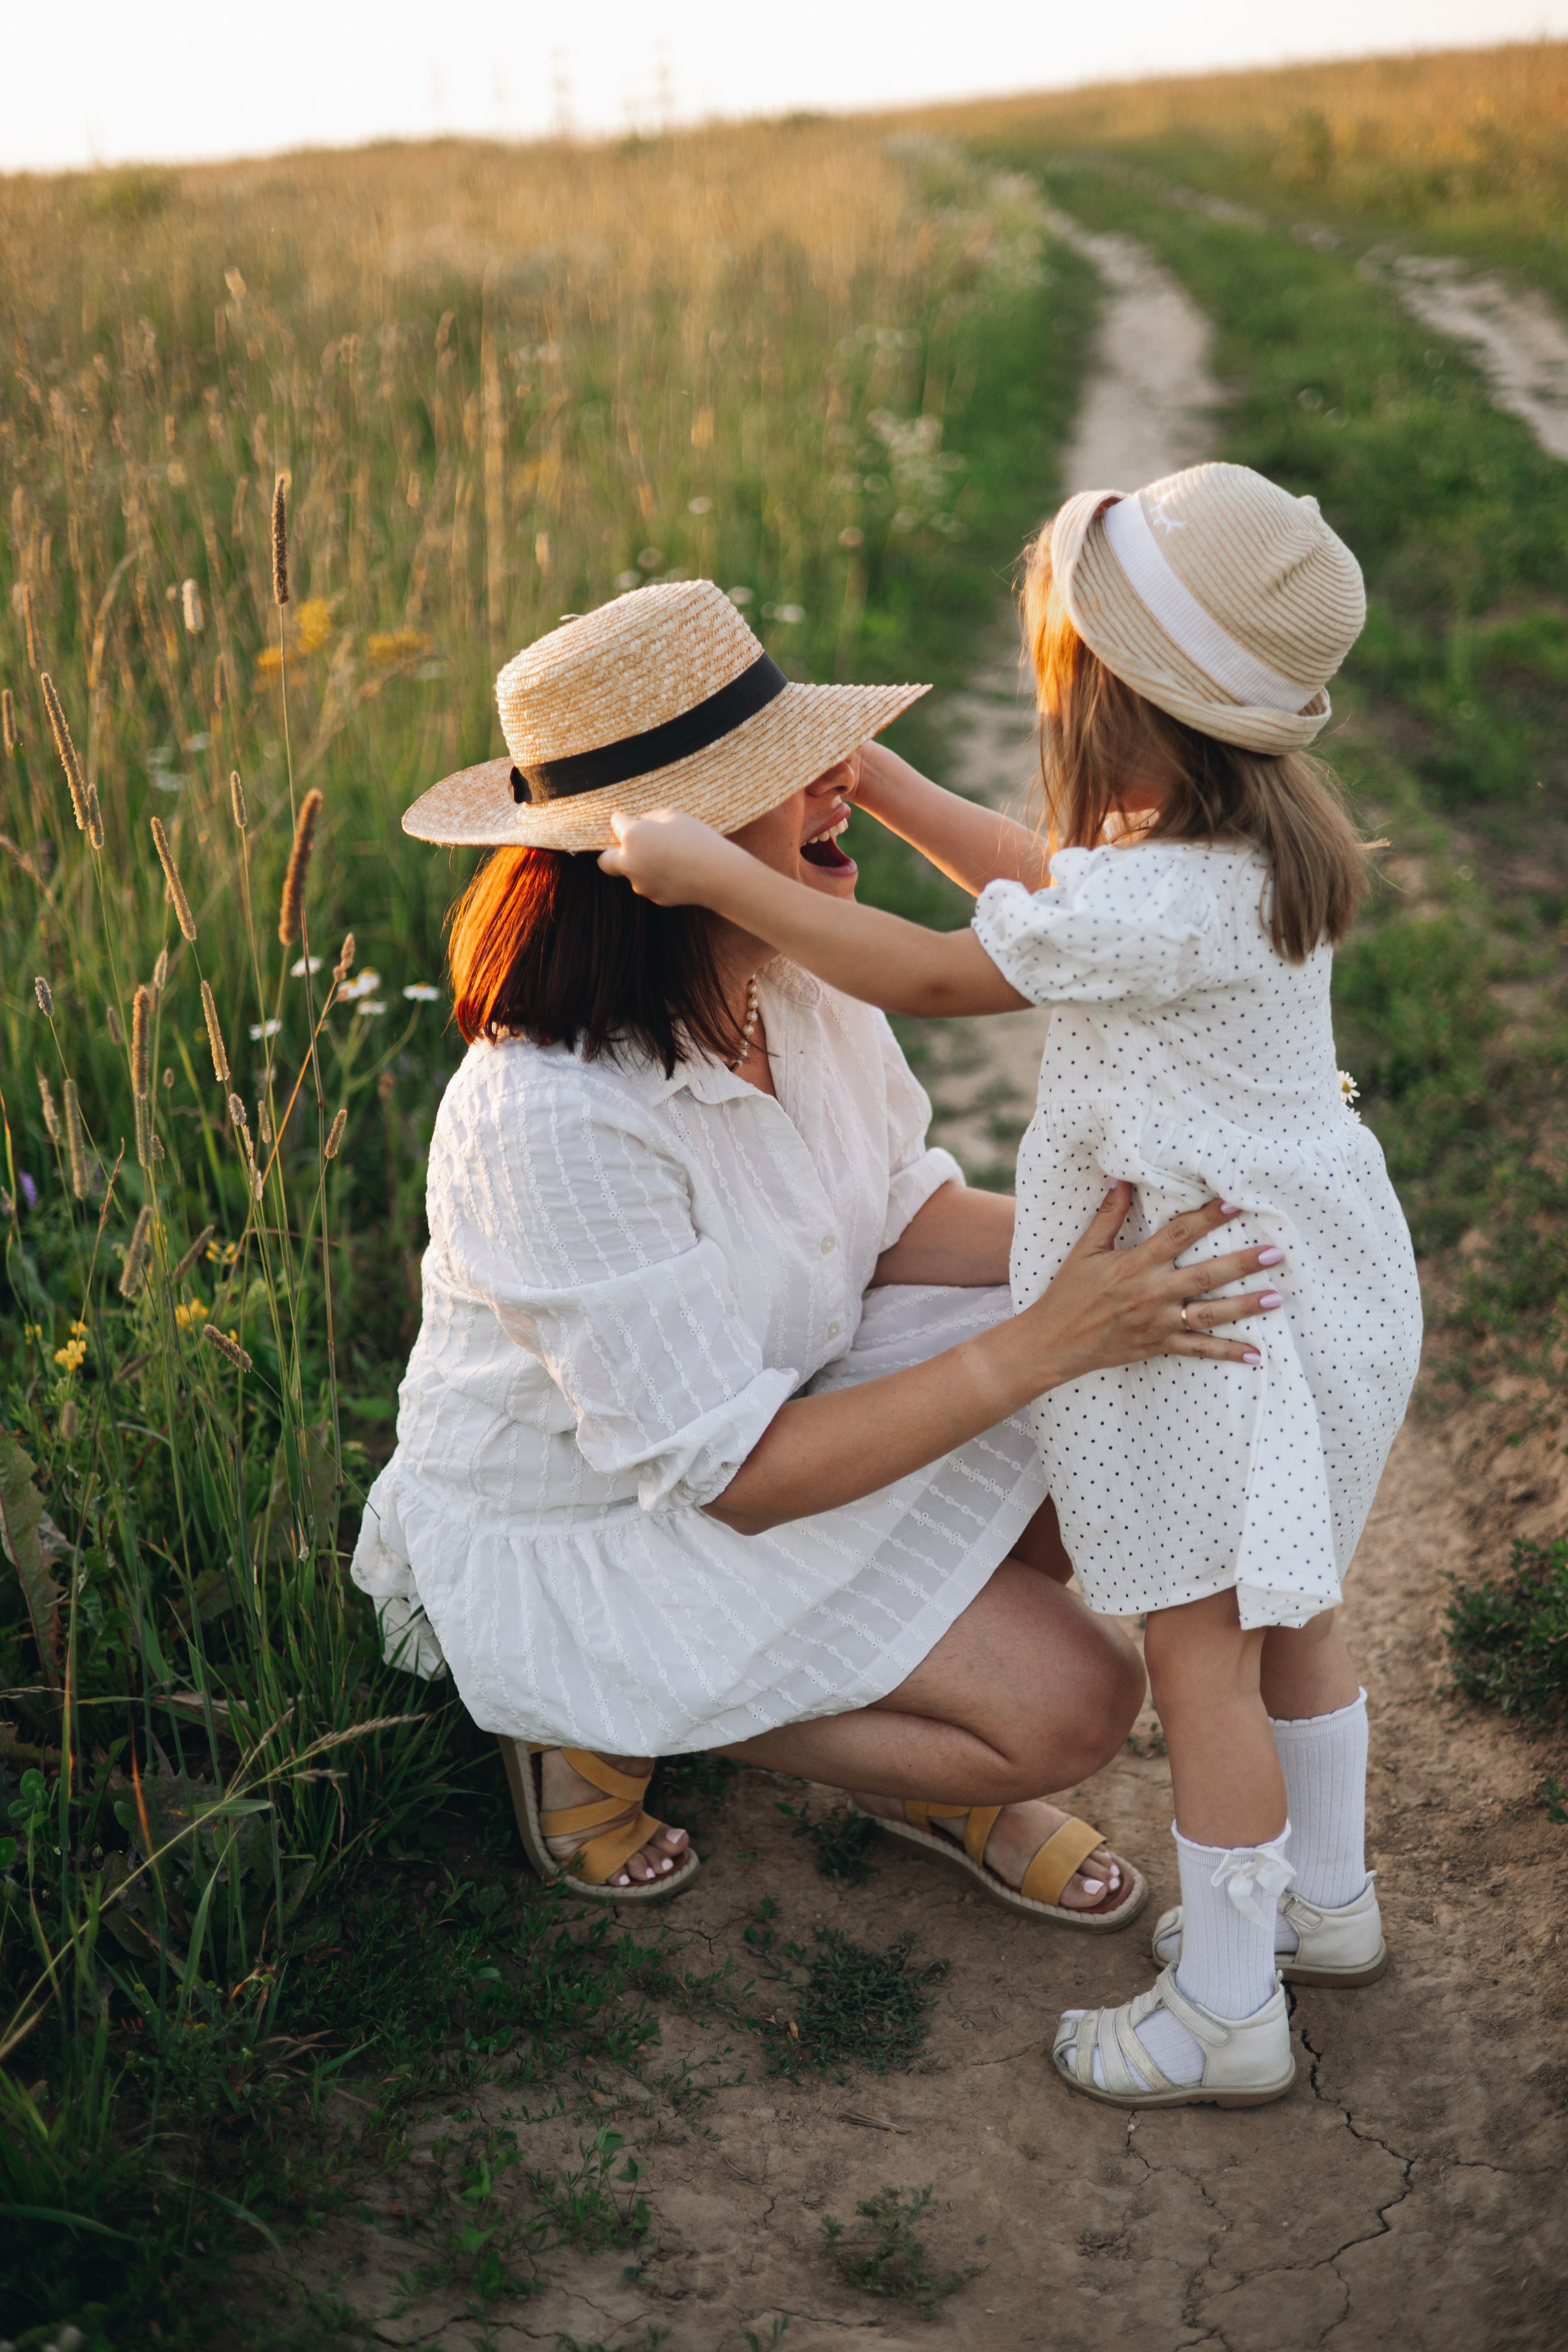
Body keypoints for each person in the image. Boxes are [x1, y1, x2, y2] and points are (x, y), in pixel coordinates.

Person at [602, 464, 1422, 2109]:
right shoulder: (1253, 845)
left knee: (1201, 1664)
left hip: (1208, 1323)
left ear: (1102, 698)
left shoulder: (1164, 894)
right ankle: (1327, 1902)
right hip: (1317, 1279)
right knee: (1299, 1609)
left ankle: (1225, 2001)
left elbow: (929, 967)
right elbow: (1050, 885)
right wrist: (890, 781)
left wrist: (719, 874)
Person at [352, 575, 1282, 1928]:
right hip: (609, 1517)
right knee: (1074, 1706)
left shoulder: (780, 972)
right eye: (783, 778)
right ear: (661, 854)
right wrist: (1043, 1336)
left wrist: (1126, 1248)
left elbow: (889, 1217)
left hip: (787, 1386)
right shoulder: (548, 1114)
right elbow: (722, 1480)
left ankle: (889, 1685)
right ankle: (589, 1716)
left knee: (1116, 1406)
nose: (831, 791)